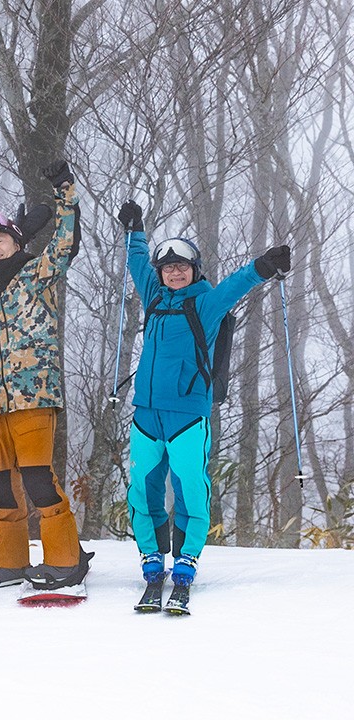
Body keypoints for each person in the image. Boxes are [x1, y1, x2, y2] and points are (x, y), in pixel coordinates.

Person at [118, 200, 290, 609]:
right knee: (142, 490)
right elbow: (137, 262)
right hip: (145, 414)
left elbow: (237, 283)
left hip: (188, 416)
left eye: (183, 267)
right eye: (169, 268)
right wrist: (134, 229)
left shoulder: (206, 303)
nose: (175, 273)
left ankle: (186, 561)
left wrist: (264, 265)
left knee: (190, 489)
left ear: (195, 270)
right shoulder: (154, 297)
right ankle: (152, 559)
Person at [0, 161, 91, 592]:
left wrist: (64, 191)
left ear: (15, 242)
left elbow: (66, 239)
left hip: (33, 397)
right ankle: (11, 562)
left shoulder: (36, 273)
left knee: (38, 477)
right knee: (2, 484)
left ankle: (66, 560)